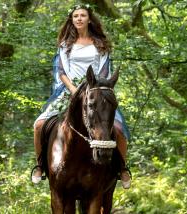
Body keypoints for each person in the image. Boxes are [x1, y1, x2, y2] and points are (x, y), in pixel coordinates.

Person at [31, 4, 132, 189]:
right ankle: (40, 166)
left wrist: (91, 90)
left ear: (89, 19)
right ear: (72, 20)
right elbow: (61, 71)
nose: (79, 18)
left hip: (96, 93)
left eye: (82, 15)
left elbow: (103, 71)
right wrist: (75, 91)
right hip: (69, 92)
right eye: (75, 16)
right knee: (38, 125)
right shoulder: (65, 46)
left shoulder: (101, 45)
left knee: (118, 129)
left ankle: (123, 168)